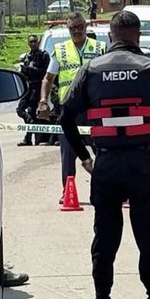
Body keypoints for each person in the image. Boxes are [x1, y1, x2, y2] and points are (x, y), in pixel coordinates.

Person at [59, 10, 150, 299]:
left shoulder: (91, 69)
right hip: (145, 165)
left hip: (108, 165)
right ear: (137, 35)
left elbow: (65, 118)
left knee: (105, 241)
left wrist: (85, 157)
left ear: (111, 35)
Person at [37, 12, 107, 203]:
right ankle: (68, 191)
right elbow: (48, 79)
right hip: (68, 110)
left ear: (86, 27)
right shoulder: (60, 50)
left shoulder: (99, 48)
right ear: (68, 29)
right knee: (68, 153)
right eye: (72, 28)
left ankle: (105, 189)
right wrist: (43, 100)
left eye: (80, 27)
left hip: (93, 109)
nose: (77, 31)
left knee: (102, 150)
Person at [16, 35, 51, 146]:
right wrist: (23, 70)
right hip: (28, 86)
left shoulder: (44, 55)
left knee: (32, 111)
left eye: (35, 41)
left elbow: (47, 72)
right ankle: (29, 124)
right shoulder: (27, 56)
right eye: (31, 42)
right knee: (20, 109)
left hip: (39, 86)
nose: (33, 43)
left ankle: (29, 138)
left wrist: (31, 70)